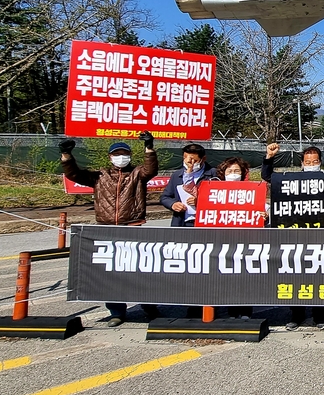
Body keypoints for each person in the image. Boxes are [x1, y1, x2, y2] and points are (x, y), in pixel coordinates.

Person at [60, 132, 159, 326]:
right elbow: (74, 174)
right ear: (110, 157)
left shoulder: (137, 174)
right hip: (106, 229)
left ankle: (150, 305)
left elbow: (151, 169)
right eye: (116, 154)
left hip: (132, 227)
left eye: (124, 153)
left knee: (140, 269)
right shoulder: (99, 176)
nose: (120, 157)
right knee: (111, 272)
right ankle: (117, 312)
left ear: (130, 156)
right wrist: (66, 155)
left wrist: (149, 147)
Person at [260, 142, 324, 330]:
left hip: (320, 236)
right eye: (308, 161)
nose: (311, 164)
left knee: (319, 277)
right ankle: (296, 315)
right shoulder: (292, 179)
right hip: (294, 236)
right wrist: (269, 157)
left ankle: (319, 316)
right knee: (295, 276)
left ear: (320, 162)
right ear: (302, 162)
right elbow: (267, 176)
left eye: (315, 161)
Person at [217, 157, 258, 320]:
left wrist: (264, 215)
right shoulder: (215, 192)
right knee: (227, 277)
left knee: (245, 277)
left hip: (245, 240)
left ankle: (246, 311)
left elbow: (260, 210)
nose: (233, 174)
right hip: (223, 241)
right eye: (229, 171)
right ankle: (232, 312)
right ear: (223, 173)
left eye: (236, 171)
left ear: (243, 174)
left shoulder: (252, 190)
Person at [161, 143, 218, 227]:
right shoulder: (177, 175)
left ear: (203, 159)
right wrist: (173, 204)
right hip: (181, 222)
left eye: (194, 161)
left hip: (205, 221)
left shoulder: (214, 174)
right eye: (185, 159)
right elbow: (165, 197)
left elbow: (221, 199)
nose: (189, 163)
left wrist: (200, 202)